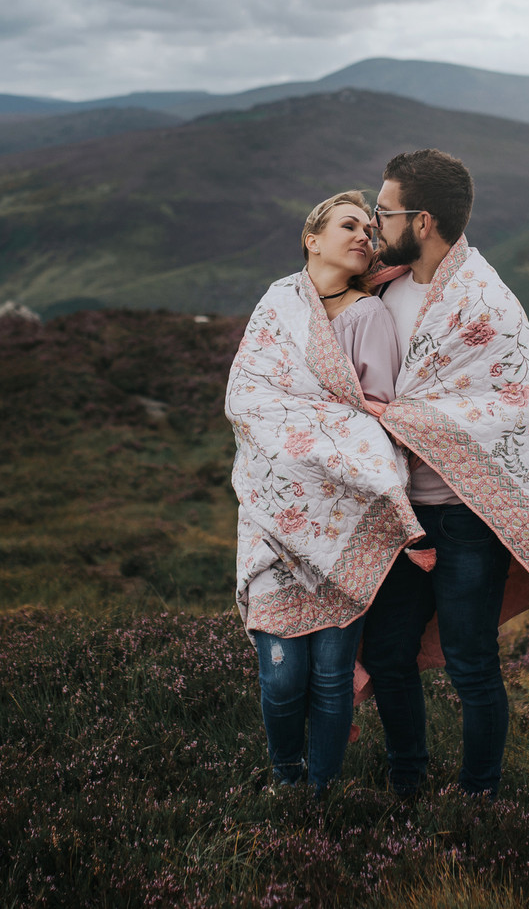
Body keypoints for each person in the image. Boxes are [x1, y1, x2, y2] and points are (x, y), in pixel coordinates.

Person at [359, 149, 529, 797]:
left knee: (471, 660)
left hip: (464, 519)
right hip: (402, 515)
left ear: (422, 220)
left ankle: (479, 794)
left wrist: (390, 416)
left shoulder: (484, 302)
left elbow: (508, 409)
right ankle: (407, 781)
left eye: (384, 210)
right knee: (387, 650)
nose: (374, 222)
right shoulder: (384, 286)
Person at [224, 191, 420, 794]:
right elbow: (247, 398)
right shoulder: (279, 302)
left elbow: (376, 418)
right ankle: (286, 781)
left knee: (332, 675)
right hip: (274, 510)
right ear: (311, 238)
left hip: (342, 514)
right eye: (348, 225)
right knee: (282, 677)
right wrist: (307, 430)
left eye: (369, 227)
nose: (364, 235)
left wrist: (320, 429)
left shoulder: (369, 317)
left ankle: (321, 792)